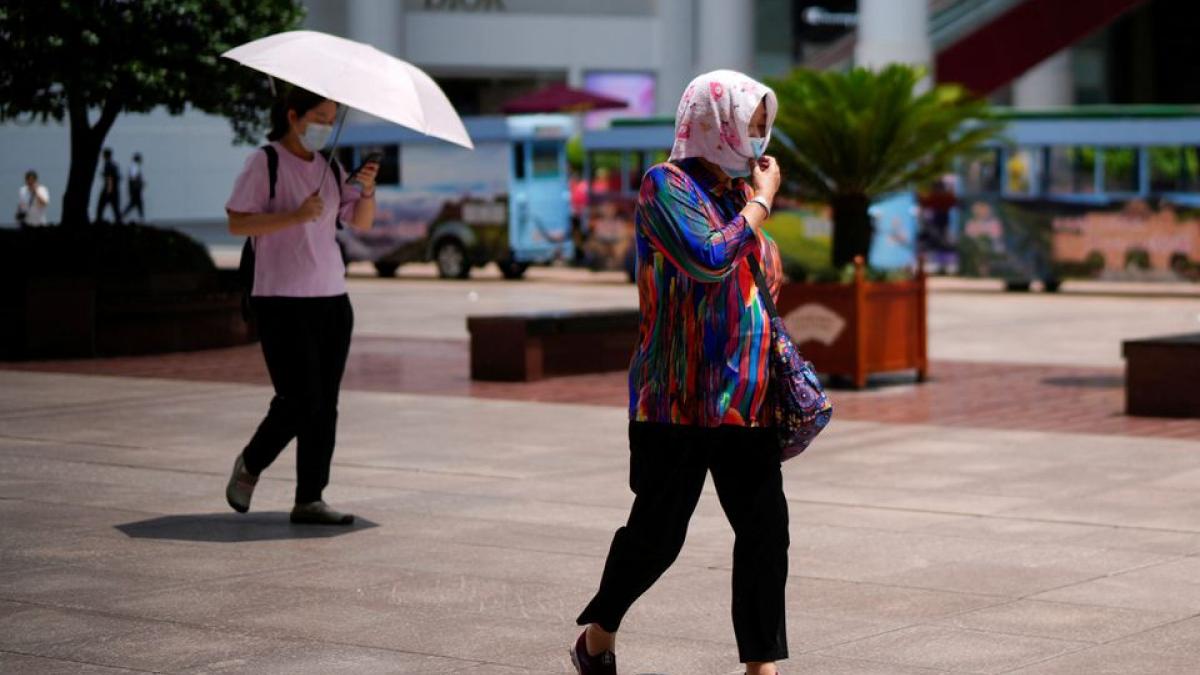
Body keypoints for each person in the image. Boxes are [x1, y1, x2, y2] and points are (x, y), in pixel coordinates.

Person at [572, 71, 788, 675]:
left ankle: (760, 666)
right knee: (658, 538)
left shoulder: (733, 193)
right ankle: (598, 634)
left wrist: (753, 212)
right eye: (751, 122)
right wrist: (761, 203)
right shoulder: (663, 186)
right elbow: (710, 257)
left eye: (764, 125)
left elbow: (760, 271)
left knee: (767, 534)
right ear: (713, 122)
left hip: (746, 397)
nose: (759, 136)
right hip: (676, 399)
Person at [223, 85, 379, 525]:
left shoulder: (330, 170)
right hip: (279, 299)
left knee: (324, 403)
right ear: (294, 116)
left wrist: (365, 191)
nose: (327, 127)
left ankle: (310, 497)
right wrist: (294, 215)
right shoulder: (265, 161)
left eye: (332, 119)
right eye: (320, 117)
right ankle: (251, 463)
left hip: (331, 299)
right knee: (298, 399)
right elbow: (237, 221)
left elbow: (359, 222)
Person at [96, 148, 122, 224]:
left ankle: (99, 222)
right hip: (114, 190)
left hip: (109, 190)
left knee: (100, 207)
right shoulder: (114, 165)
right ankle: (118, 222)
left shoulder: (108, 165)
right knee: (115, 208)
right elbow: (117, 177)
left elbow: (110, 178)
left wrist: (109, 191)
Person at [122, 152, 145, 223]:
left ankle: (141, 217)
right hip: (135, 190)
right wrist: (139, 184)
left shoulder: (134, 167)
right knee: (136, 204)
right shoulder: (134, 167)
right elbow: (133, 179)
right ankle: (141, 218)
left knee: (137, 204)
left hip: (135, 189)